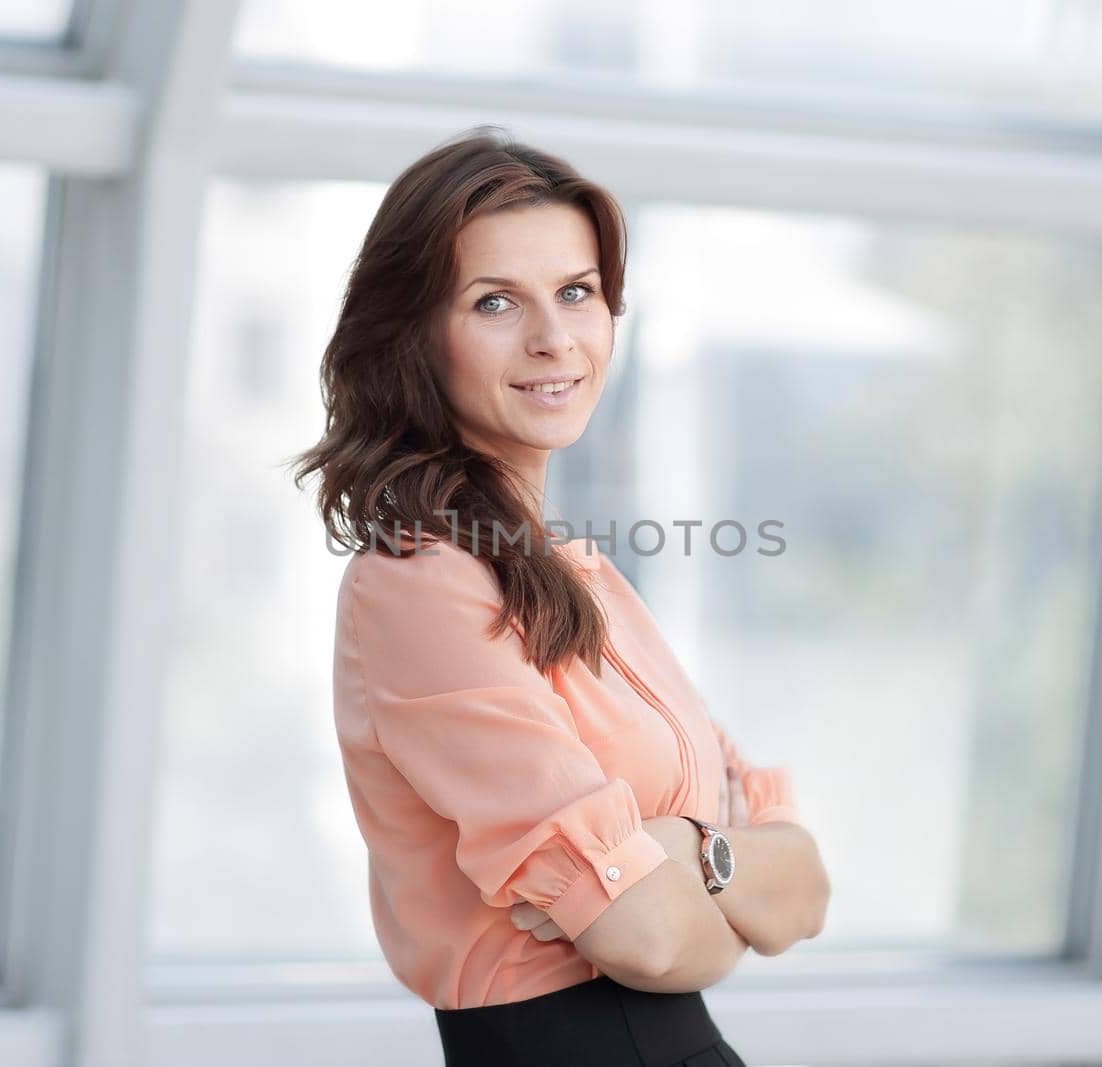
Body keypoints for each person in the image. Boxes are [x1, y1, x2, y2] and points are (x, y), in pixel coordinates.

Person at [289, 124, 831, 1066]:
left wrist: (684, 851)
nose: (553, 338)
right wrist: (717, 868)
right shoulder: (418, 583)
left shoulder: (578, 576)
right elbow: (649, 938)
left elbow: (805, 890)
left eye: (577, 293)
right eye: (496, 300)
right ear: (414, 334)